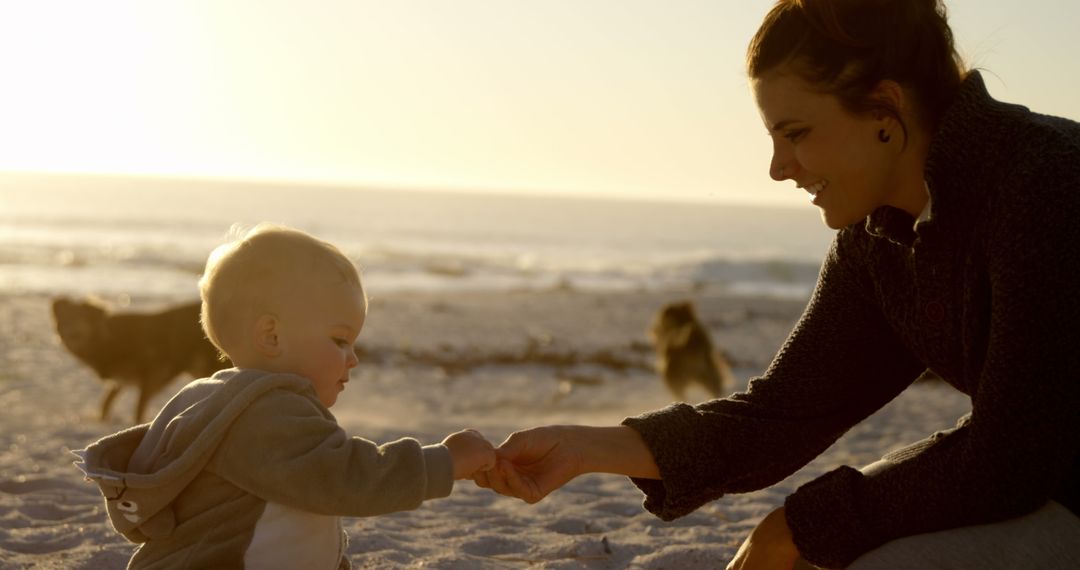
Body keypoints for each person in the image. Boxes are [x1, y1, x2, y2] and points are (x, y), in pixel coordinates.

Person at [475, 0, 1080, 568]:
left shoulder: (1044, 183)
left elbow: (1012, 456)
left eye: (796, 134)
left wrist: (796, 524)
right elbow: (779, 416)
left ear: (884, 110)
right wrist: (585, 448)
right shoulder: (879, 239)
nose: (777, 168)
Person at [73, 223, 496, 569]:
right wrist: (446, 461)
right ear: (271, 335)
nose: (353, 359)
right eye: (340, 340)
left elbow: (297, 522)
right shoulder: (265, 413)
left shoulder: (214, 397)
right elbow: (346, 479)